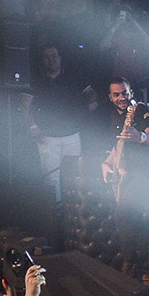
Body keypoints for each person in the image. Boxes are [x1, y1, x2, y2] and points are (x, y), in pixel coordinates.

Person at [101, 78, 149, 278]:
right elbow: (117, 145)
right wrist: (105, 164)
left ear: (131, 92)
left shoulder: (139, 110)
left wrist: (140, 137)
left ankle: (130, 266)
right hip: (124, 174)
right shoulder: (113, 116)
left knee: (122, 215)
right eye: (117, 94)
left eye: (125, 93)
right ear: (110, 97)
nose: (122, 98)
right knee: (129, 220)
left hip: (143, 174)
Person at [21, 44, 96, 205]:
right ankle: (56, 213)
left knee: (74, 175)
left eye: (54, 56)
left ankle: (74, 212)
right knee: (51, 178)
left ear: (60, 58)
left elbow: (90, 92)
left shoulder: (73, 76)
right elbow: (24, 105)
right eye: (47, 57)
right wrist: (33, 127)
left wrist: (91, 102)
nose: (51, 60)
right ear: (42, 60)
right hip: (47, 137)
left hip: (72, 135)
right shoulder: (36, 80)